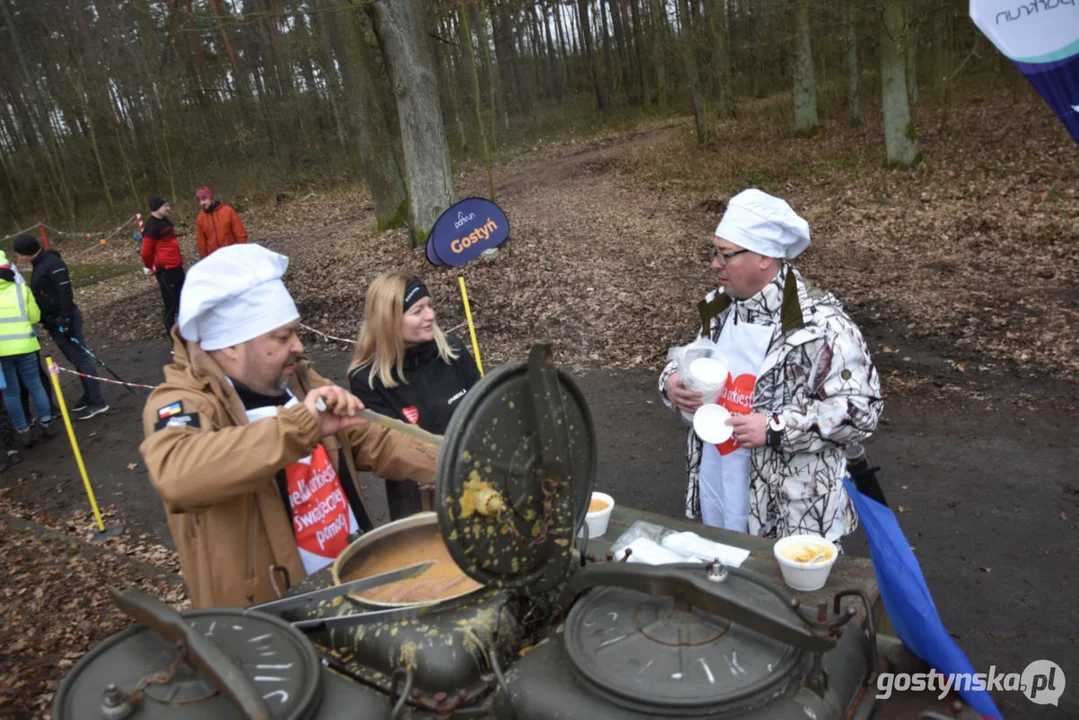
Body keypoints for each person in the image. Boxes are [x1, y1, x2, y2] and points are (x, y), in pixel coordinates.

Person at [139, 244, 439, 608]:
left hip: (353, 585)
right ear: (232, 346)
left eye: (295, 332)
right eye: (282, 337)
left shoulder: (297, 379)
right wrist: (301, 425)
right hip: (275, 618)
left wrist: (456, 458)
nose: (298, 346)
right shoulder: (183, 401)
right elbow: (178, 475)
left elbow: (372, 435)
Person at [658, 189, 882, 546]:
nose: (715, 263)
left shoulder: (822, 326)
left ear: (764, 257)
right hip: (720, 491)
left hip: (792, 521)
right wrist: (671, 382)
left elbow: (862, 412)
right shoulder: (719, 309)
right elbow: (686, 361)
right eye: (713, 251)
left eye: (725, 254)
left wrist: (776, 427)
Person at [347, 273, 481, 520]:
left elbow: (486, 416)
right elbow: (388, 448)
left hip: (478, 487)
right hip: (418, 509)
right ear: (389, 320)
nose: (430, 315)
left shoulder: (454, 353)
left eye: (429, 306)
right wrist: (429, 464)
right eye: (418, 311)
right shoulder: (367, 379)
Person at [12, 236, 109, 420]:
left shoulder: (52, 263)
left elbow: (65, 291)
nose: (17, 256)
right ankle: (89, 395)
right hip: (54, 320)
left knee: (81, 359)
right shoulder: (40, 264)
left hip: (64, 319)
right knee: (75, 359)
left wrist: (66, 320)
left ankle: (97, 402)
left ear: (25, 252)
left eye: (18, 253)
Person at [0, 255, 56, 447]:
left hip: (2, 352)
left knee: (11, 393)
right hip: (27, 345)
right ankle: (47, 423)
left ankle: (23, 431)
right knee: (35, 385)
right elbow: (34, 317)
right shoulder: (21, 290)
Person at [140, 195, 185, 337]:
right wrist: (152, 267)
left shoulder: (166, 222)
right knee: (170, 306)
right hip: (165, 271)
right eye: (166, 206)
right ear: (157, 208)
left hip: (177, 266)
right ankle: (173, 340)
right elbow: (145, 252)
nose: (168, 208)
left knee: (183, 302)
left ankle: (187, 336)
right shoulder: (151, 227)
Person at [194, 186, 247, 259]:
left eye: (204, 199)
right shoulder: (200, 219)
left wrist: (241, 252)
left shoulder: (228, 211)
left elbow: (240, 233)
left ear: (210, 197)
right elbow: (201, 243)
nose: (201, 203)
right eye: (199, 200)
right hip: (214, 258)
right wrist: (205, 260)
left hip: (232, 255)